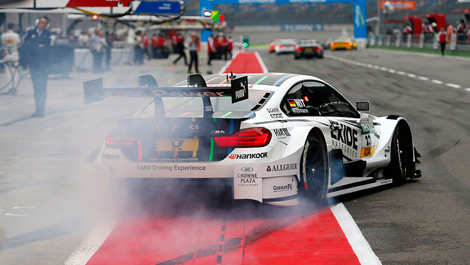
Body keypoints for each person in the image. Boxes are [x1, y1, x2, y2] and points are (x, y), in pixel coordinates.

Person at [22, 16, 51, 118]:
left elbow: (46, 48)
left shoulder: (47, 34)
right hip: (33, 65)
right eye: (41, 22)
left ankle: (41, 110)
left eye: (45, 23)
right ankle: (37, 109)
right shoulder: (30, 33)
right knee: (36, 88)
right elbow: (26, 46)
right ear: (38, 22)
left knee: (42, 88)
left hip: (43, 66)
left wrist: (34, 46)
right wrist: (37, 46)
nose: (42, 25)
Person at [1, 23, 21, 94]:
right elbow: (19, 45)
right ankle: (14, 87)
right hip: (14, 54)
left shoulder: (3, 36)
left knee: (8, 73)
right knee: (15, 73)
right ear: (13, 27)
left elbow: (3, 45)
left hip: (6, 55)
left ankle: (9, 88)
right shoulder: (16, 35)